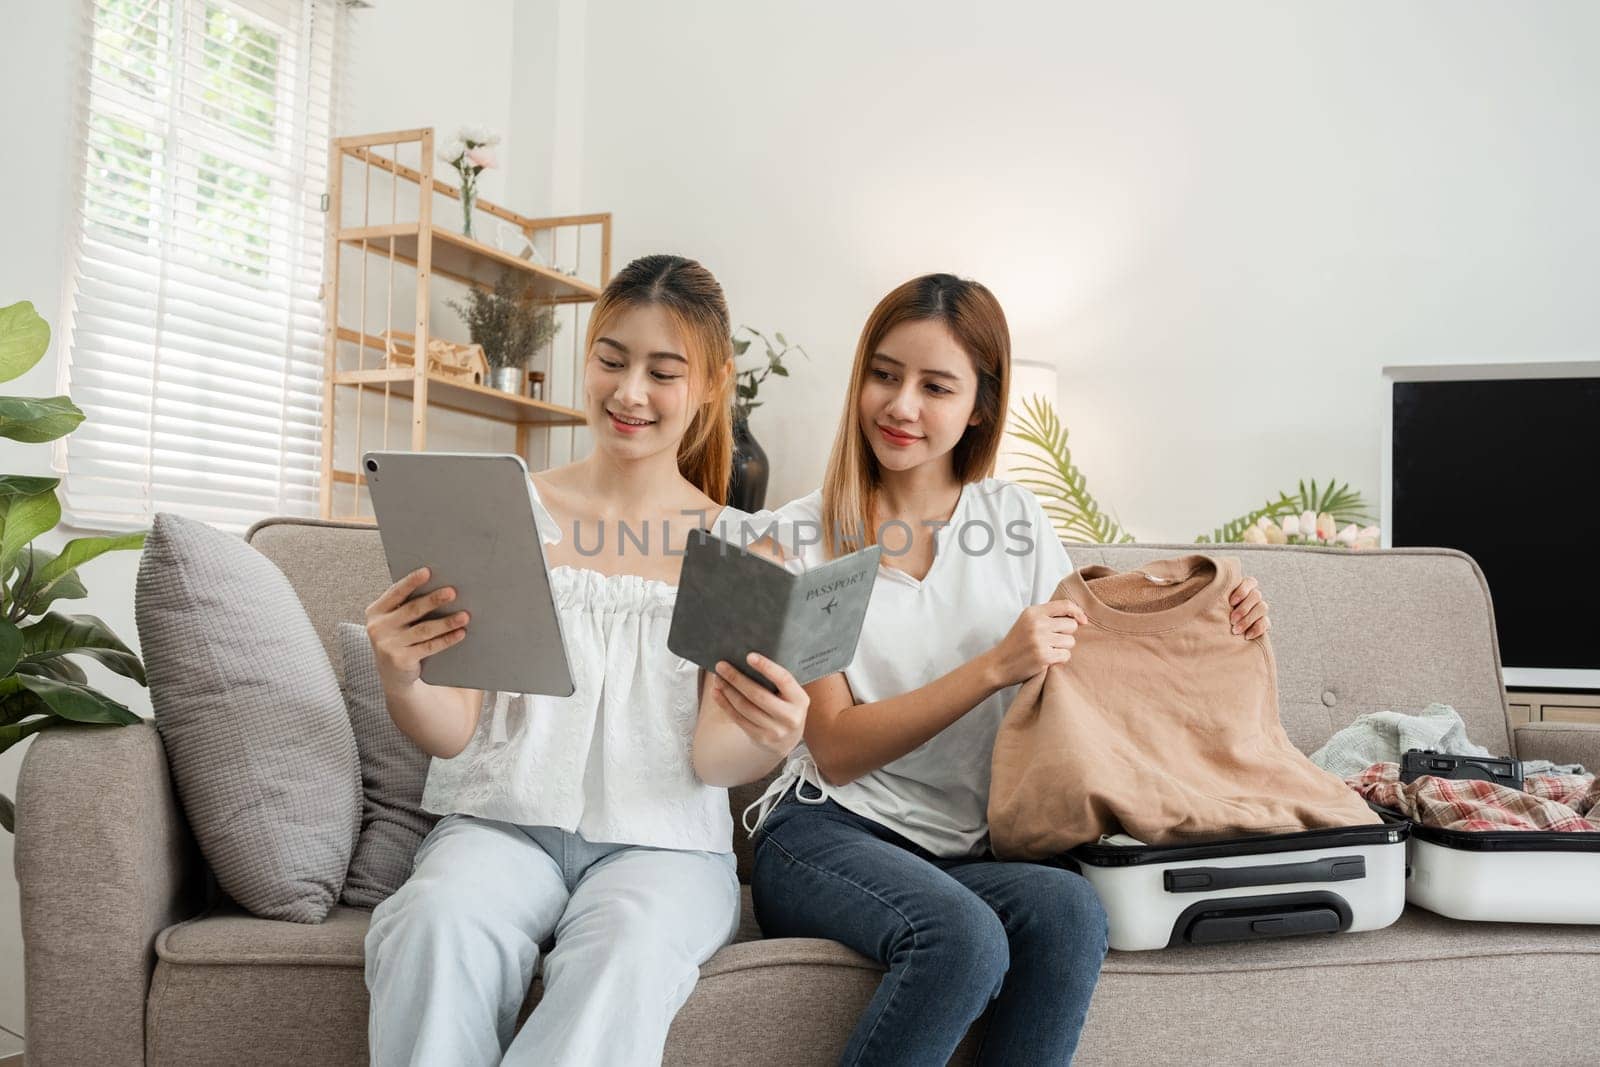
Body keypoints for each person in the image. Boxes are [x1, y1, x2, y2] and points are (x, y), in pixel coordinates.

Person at [747, 273, 1271, 1065]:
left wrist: (1221, 608)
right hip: (826, 833)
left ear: (980, 405)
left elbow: (1104, 651)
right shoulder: (803, 536)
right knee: (960, 939)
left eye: (935, 385)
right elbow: (836, 745)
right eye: (884, 375)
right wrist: (993, 667)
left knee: (1068, 910)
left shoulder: (1013, 522)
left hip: (967, 849)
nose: (901, 406)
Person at [363, 254, 810, 1066]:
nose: (629, 392)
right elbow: (454, 731)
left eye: (662, 372)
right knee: (434, 922)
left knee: (625, 951)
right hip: (502, 826)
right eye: (611, 359)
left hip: (664, 849)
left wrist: (771, 733)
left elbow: (714, 755)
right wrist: (400, 670)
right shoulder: (504, 511)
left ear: (710, 385)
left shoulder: (744, 547)